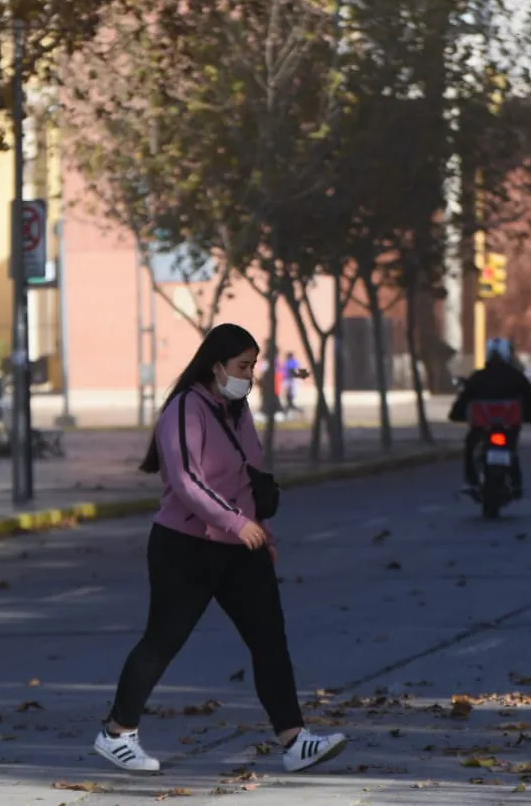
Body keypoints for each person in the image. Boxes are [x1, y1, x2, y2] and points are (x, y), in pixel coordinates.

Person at [93, 323, 347, 775]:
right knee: (163, 640)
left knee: (269, 639)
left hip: (239, 546)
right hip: (185, 546)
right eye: (241, 366)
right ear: (216, 365)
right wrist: (236, 522)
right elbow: (188, 481)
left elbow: (250, 476)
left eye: (252, 366)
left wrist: (261, 531)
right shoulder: (185, 409)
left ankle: (294, 740)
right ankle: (117, 733)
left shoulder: (237, 409)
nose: (248, 375)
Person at [448, 338, 531, 498]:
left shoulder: (478, 377)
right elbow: (530, 398)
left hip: (482, 427)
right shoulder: (516, 377)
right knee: (511, 449)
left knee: (470, 447)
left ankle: (471, 480)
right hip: (507, 426)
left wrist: (457, 413)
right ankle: (514, 481)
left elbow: (464, 398)